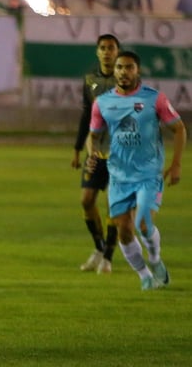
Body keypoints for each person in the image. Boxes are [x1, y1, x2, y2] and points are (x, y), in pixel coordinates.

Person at [88, 51, 186, 290]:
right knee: (123, 229)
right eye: (120, 67)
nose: (123, 72)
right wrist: (91, 153)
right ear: (115, 71)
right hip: (119, 176)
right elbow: (94, 135)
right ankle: (144, 275)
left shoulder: (155, 99)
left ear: (137, 71)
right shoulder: (102, 102)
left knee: (143, 224)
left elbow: (180, 129)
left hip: (149, 174)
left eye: (129, 67)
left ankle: (154, 260)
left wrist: (175, 164)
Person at [71, 34, 120, 275]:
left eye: (111, 48)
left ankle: (108, 258)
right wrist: (77, 149)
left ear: (117, 52)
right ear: (97, 52)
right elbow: (85, 115)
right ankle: (99, 248)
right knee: (86, 200)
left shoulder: (128, 81)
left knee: (115, 204)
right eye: (103, 48)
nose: (107, 52)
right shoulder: (90, 79)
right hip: (95, 150)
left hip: (121, 154)